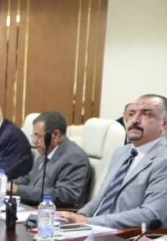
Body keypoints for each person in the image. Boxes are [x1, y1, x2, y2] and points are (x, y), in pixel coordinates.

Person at [57, 94, 167, 228]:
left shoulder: (163, 159)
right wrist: (79, 215)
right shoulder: (121, 152)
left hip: (128, 235)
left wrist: (88, 222)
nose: (135, 120)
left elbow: (151, 214)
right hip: (95, 228)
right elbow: (101, 197)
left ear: (164, 124)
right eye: (132, 114)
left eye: (146, 114)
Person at [9, 111, 90, 207]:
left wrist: (19, 190)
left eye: (38, 136)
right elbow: (30, 179)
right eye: (34, 136)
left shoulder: (74, 157)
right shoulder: (46, 151)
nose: (34, 141)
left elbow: (66, 196)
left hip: (52, 212)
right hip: (32, 207)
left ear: (55, 135)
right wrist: (10, 184)